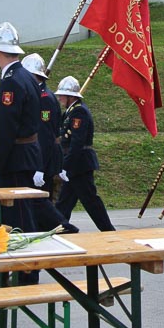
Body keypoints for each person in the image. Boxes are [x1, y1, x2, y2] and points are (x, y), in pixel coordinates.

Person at [0, 21, 42, 284]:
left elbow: (6, 130)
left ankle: (25, 276)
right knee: (23, 216)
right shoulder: (26, 77)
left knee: (17, 220)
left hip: (15, 159)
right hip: (26, 155)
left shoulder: (11, 83)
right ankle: (25, 273)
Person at [21, 53, 79, 234]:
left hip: (43, 158)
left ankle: (64, 227)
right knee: (36, 202)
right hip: (41, 157)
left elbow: (45, 135)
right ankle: (47, 234)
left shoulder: (44, 98)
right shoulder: (37, 95)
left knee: (38, 200)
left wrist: (39, 167)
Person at [54, 76, 116, 232]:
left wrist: (66, 166)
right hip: (75, 164)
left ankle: (109, 231)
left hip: (79, 164)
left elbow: (77, 142)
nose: (59, 98)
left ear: (70, 96)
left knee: (90, 201)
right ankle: (59, 229)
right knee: (64, 202)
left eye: (62, 95)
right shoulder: (70, 111)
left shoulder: (79, 112)